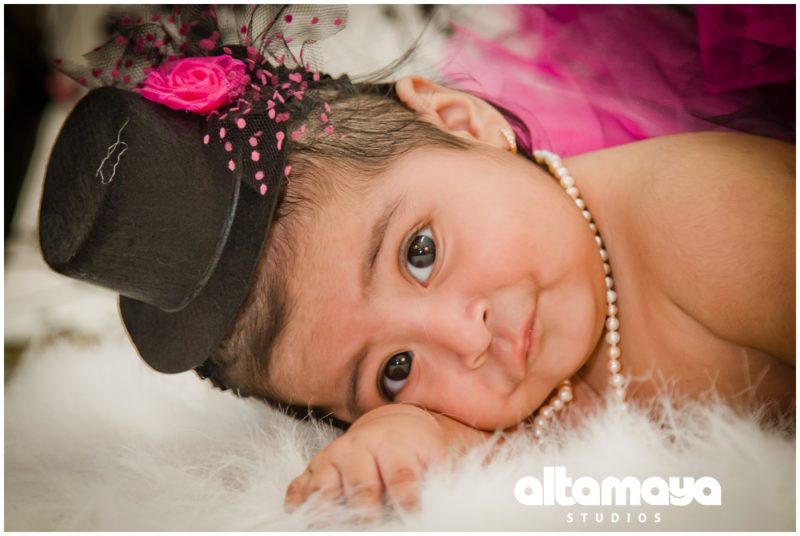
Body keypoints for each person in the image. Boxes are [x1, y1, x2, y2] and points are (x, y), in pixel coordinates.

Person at [39, 5, 794, 516]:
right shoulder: (513, 385)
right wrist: (424, 441)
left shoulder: (709, 218)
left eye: (420, 253)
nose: (465, 339)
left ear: (464, 121)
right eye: (395, 371)